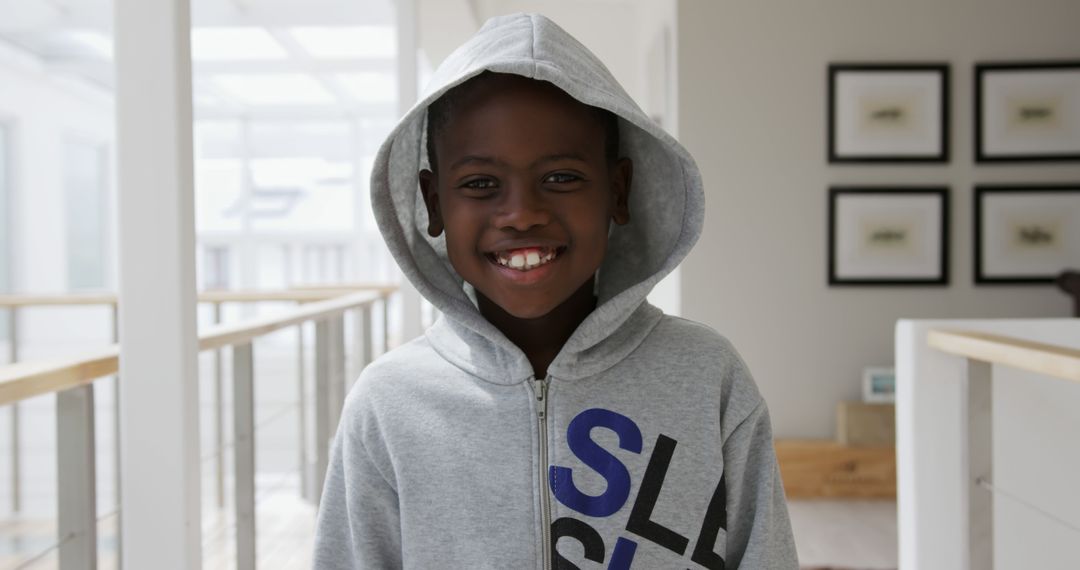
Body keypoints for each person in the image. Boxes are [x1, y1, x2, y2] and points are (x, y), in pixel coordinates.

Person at [314, 13, 798, 569]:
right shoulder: (389, 402)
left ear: (618, 190)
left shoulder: (707, 376)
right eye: (480, 184)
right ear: (433, 201)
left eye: (561, 177)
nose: (521, 213)